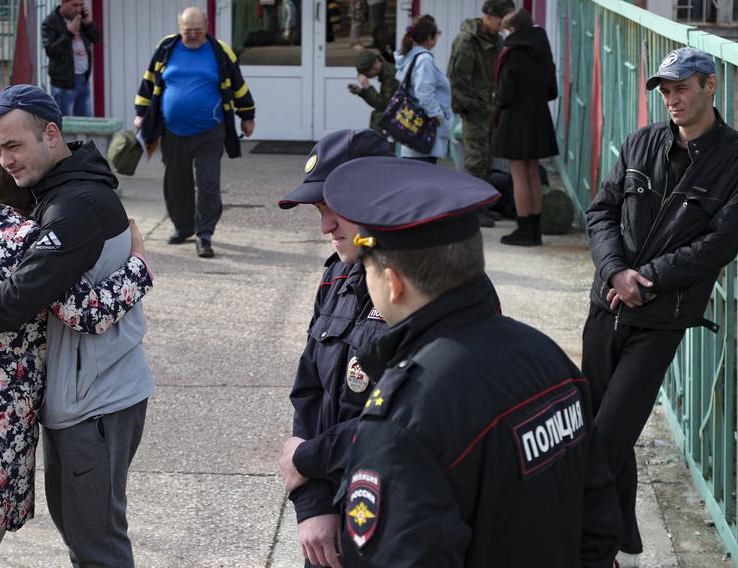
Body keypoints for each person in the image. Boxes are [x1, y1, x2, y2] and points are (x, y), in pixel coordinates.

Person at [323, 157, 623, 567]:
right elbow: (600, 522)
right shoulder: (546, 355)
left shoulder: (406, 418)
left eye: (369, 267)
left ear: (393, 283)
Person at [0, 84, 154, 567]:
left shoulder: (71, 208)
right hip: (70, 398)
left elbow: (30, 299)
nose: (5, 159)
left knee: (96, 544)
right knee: (80, 534)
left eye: (14, 145)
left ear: (51, 134)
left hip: (97, 401)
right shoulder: (46, 196)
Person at [582, 47, 738, 568]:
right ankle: (622, 540)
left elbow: (719, 244)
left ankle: (590, 549)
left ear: (711, 86)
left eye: (682, 88)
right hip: (606, 305)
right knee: (601, 430)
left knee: (606, 438)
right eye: (666, 91)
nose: (672, 99)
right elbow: (600, 211)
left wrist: (644, 281)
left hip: (659, 319)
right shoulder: (639, 143)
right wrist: (614, 272)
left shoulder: (735, 161)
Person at [276, 129, 394, 568]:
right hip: (329, 522)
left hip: (395, 518)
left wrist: (306, 461)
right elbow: (309, 393)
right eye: (318, 210)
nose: (324, 226)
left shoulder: (426, 287)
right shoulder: (336, 278)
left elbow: (411, 425)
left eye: (333, 208)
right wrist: (311, 503)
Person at [134, 6, 257, 259]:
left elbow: (238, 85)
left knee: (208, 182)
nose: (192, 35)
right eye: (187, 30)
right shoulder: (167, 47)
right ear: (179, 28)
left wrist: (247, 116)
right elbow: (149, 81)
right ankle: (183, 227)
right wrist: (141, 112)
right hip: (172, 131)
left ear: (208, 26)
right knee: (176, 181)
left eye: (197, 31)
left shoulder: (219, 51)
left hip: (210, 131)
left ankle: (205, 234)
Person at [492, 9, 559, 247]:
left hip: (516, 119)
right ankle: (535, 231)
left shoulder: (512, 54)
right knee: (533, 172)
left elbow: (505, 94)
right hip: (539, 117)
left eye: (507, 30)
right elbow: (553, 90)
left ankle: (522, 230)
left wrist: (496, 101)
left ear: (514, 30)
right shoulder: (543, 50)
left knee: (518, 174)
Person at [447, 0, 515, 227]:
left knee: (485, 162)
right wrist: (476, 106)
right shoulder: (467, 41)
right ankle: (472, 210)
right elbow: (457, 81)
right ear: (488, 15)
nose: (502, 26)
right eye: (500, 21)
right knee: (475, 162)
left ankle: (483, 206)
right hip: (474, 111)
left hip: (489, 110)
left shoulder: (496, 40)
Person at [393, 15, 451, 165]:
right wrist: (438, 115)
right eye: (437, 33)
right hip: (424, 130)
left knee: (413, 174)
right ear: (430, 38)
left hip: (412, 126)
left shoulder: (409, 56)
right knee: (423, 175)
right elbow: (424, 93)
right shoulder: (424, 59)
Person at [42, 0, 101, 117]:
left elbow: (96, 38)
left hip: (83, 80)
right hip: (64, 84)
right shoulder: (50, 22)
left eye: (81, 5)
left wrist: (88, 23)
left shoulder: (81, 19)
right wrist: (69, 33)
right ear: (63, 3)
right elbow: (52, 51)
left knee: (86, 124)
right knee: (65, 125)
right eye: (74, 5)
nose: (78, 9)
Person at [347, 51, 398, 130]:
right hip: (398, 113)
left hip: (406, 116)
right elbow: (378, 104)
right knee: (376, 114)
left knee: (379, 116)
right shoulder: (386, 72)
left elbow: (383, 107)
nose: (365, 76)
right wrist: (361, 92)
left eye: (366, 73)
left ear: (375, 68)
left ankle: (374, 141)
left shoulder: (390, 76)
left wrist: (368, 87)